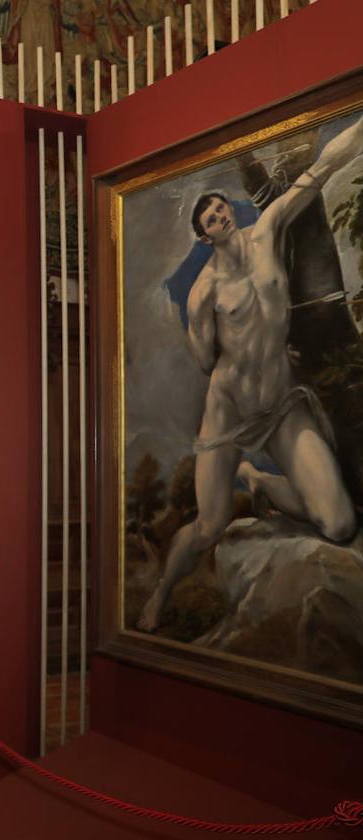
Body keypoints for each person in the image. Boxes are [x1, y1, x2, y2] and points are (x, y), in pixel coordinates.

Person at [137, 114, 363, 633]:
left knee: (339, 522)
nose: (217, 215)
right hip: (232, 412)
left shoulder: (269, 231)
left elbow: (323, 168)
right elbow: (203, 360)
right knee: (210, 525)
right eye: (208, 218)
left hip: (282, 404)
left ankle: (259, 478)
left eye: (219, 208)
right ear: (203, 235)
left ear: (229, 213)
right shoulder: (203, 293)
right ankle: (160, 596)